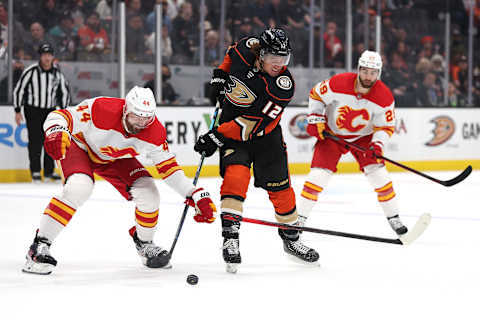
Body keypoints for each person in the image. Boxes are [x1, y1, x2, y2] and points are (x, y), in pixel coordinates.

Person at [22, 86, 217, 275]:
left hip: (113, 158)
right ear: (125, 110)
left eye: (146, 118)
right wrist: (56, 131)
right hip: (80, 147)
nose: (140, 124)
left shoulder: (154, 132)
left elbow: (169, 169)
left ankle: (145, 243)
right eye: (136, 117)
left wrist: (194, 193)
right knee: (79, 187)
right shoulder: (101, 108)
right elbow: (59, 116)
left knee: (149, 193)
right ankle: (39, 245)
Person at [194, 28, 319, 273]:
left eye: (284, 58)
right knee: (235, 178)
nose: (279, 64)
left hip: (264, 136)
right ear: (260, 53)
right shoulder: (246, 47)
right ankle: (230, 237)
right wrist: (220, 76)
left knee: (281, 191)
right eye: (274, 57)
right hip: (234, 134)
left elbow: (250, 125)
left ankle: (292, 239)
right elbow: (231, 55)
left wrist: (216, 136)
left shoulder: (283, 85)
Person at [297, 50, 409, 237]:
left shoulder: (384, 97)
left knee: (379, 176)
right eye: (365, 71)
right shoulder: (338, 83)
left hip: (363, 138)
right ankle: (299, 219)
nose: (368, 76)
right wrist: (316, 118)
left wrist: (377, 145)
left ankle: (394, 217)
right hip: (333, 134)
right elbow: (316, 95)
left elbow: (385, 126)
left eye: (373, 72)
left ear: (378, 73)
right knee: (318, 176)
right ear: (358, 69)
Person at [13, 43, 71, 183]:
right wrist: (17, 110)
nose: (47, 57)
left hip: (50, 111)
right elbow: (19, 90)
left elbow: (64, 92)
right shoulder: (31, 71)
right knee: (35, 141)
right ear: (40, 56)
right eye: (44, 55)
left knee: (51, 141)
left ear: (52, 57)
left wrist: (64, 112)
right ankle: (35, 171)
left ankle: (50, 171)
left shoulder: (57, 73)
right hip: (33, 110)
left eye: (49, 55)